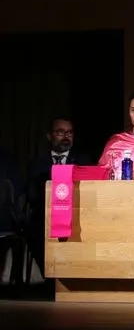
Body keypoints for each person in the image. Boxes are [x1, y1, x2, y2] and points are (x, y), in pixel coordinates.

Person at [25, 117, 93, 273]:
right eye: (60, 132)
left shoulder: (83, 161)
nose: (66, 136)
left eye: (69, 132)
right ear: (49, 135)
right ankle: (49, 278)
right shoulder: (37, 163)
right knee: (35, 230)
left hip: (77, 218)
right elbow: (32, 196)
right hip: (44, 219)